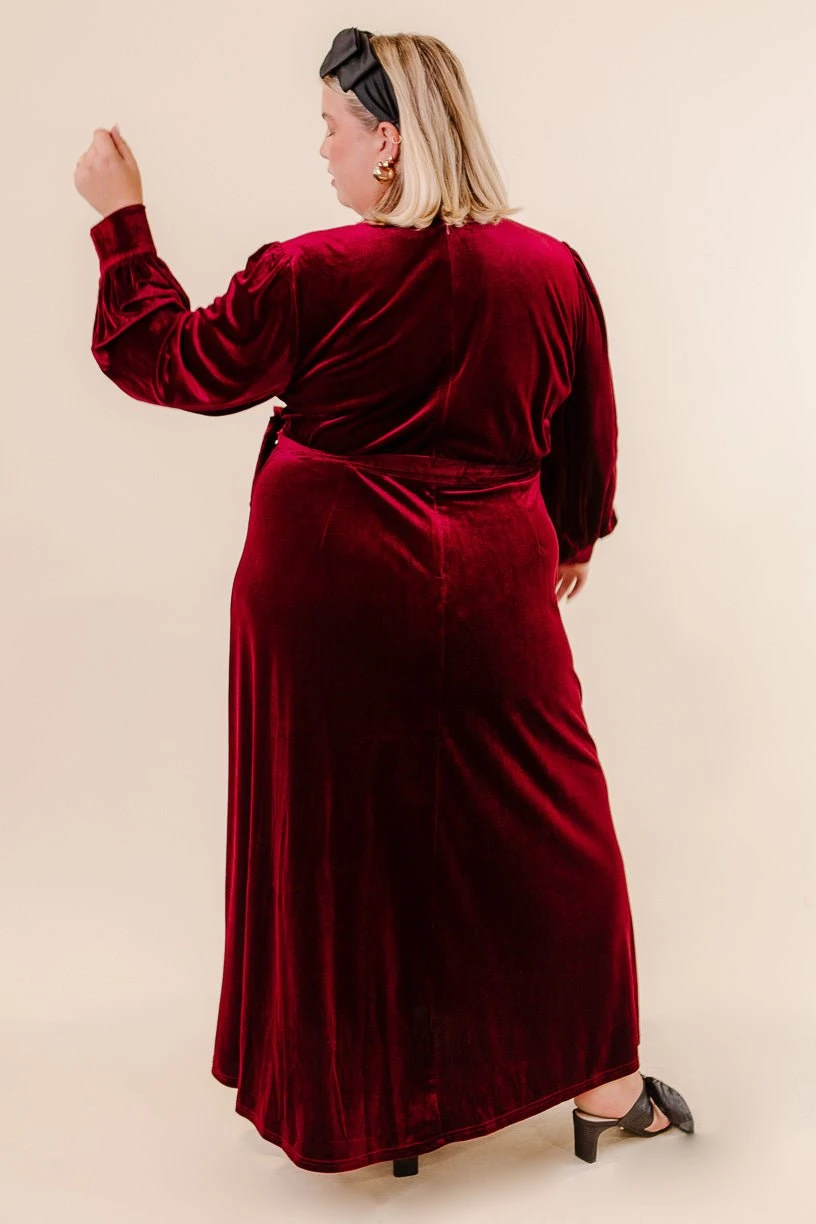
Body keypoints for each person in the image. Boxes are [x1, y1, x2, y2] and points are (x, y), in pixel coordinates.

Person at [79, 26, 693, 1177]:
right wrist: (569, 534)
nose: (321, 148)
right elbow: (585, 425)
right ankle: (607, 1086)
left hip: (327, 589)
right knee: (548, 818)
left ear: (390, 143)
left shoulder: (308, 273)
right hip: (495, 579)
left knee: (343, 839)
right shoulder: (550, 270)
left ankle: (367, 1109)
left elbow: (171, 362)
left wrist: (121, 222)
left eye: (332, 126)